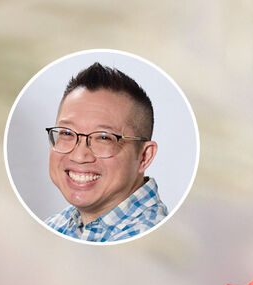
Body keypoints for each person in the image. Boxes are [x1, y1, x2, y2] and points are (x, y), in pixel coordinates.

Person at [44, 62, 167, 242]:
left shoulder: (148, 243)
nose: (79, 156)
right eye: (67, 133)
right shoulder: (56, 226)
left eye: (104, 138)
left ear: (144, 156)